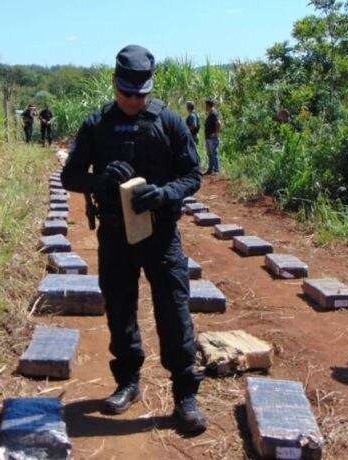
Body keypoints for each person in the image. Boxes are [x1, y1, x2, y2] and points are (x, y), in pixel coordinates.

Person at [61, 45, 207, 434]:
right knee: (121, 310)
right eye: (127, 93)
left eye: (141, 94)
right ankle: (128, 381)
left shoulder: (169, 122)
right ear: (114, 84)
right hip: (114, 235)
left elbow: (193, 175)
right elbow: (70, 177)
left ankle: (184, 395)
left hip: (160, 235)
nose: (133, 101)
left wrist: (164, 193)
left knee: (174, 312)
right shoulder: (96, 125)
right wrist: (100, 181)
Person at [204, 99, 221, 174]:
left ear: (208, 105)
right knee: (210, 154)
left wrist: (216, 133)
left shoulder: (214, 113)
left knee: (214, 153)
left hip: (212, 138)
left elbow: (218, 123)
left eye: (206, 105)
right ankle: (210, 169)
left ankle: (217, 170)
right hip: (208, 137)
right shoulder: (211, 113)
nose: (205, 107)